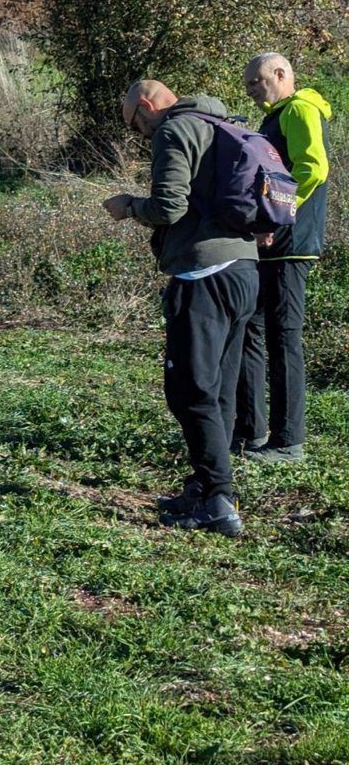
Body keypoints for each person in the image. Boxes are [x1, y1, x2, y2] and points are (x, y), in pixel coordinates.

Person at [103, 80, 259, 537]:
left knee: (189, 389)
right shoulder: (223, 122)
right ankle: (208, 486)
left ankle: (216, 498)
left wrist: (130, 206)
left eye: (136, 125)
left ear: (148, 107)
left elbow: (169, 207)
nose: (141, 133)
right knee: (221, 388)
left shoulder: (175, 131)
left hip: (202, 272)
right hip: (245, 268)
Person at [234, 53, 332, 464]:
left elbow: (314, 168)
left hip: (291, 244)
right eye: (248, 85)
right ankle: (251, 432)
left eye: (256, 81)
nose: (252, 90)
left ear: (281, 74)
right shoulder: (276, 116)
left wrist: (281, 214)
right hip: (269, 243)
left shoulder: (300, 109)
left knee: (284, 337)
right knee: (252, 331)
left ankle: (288, 441)